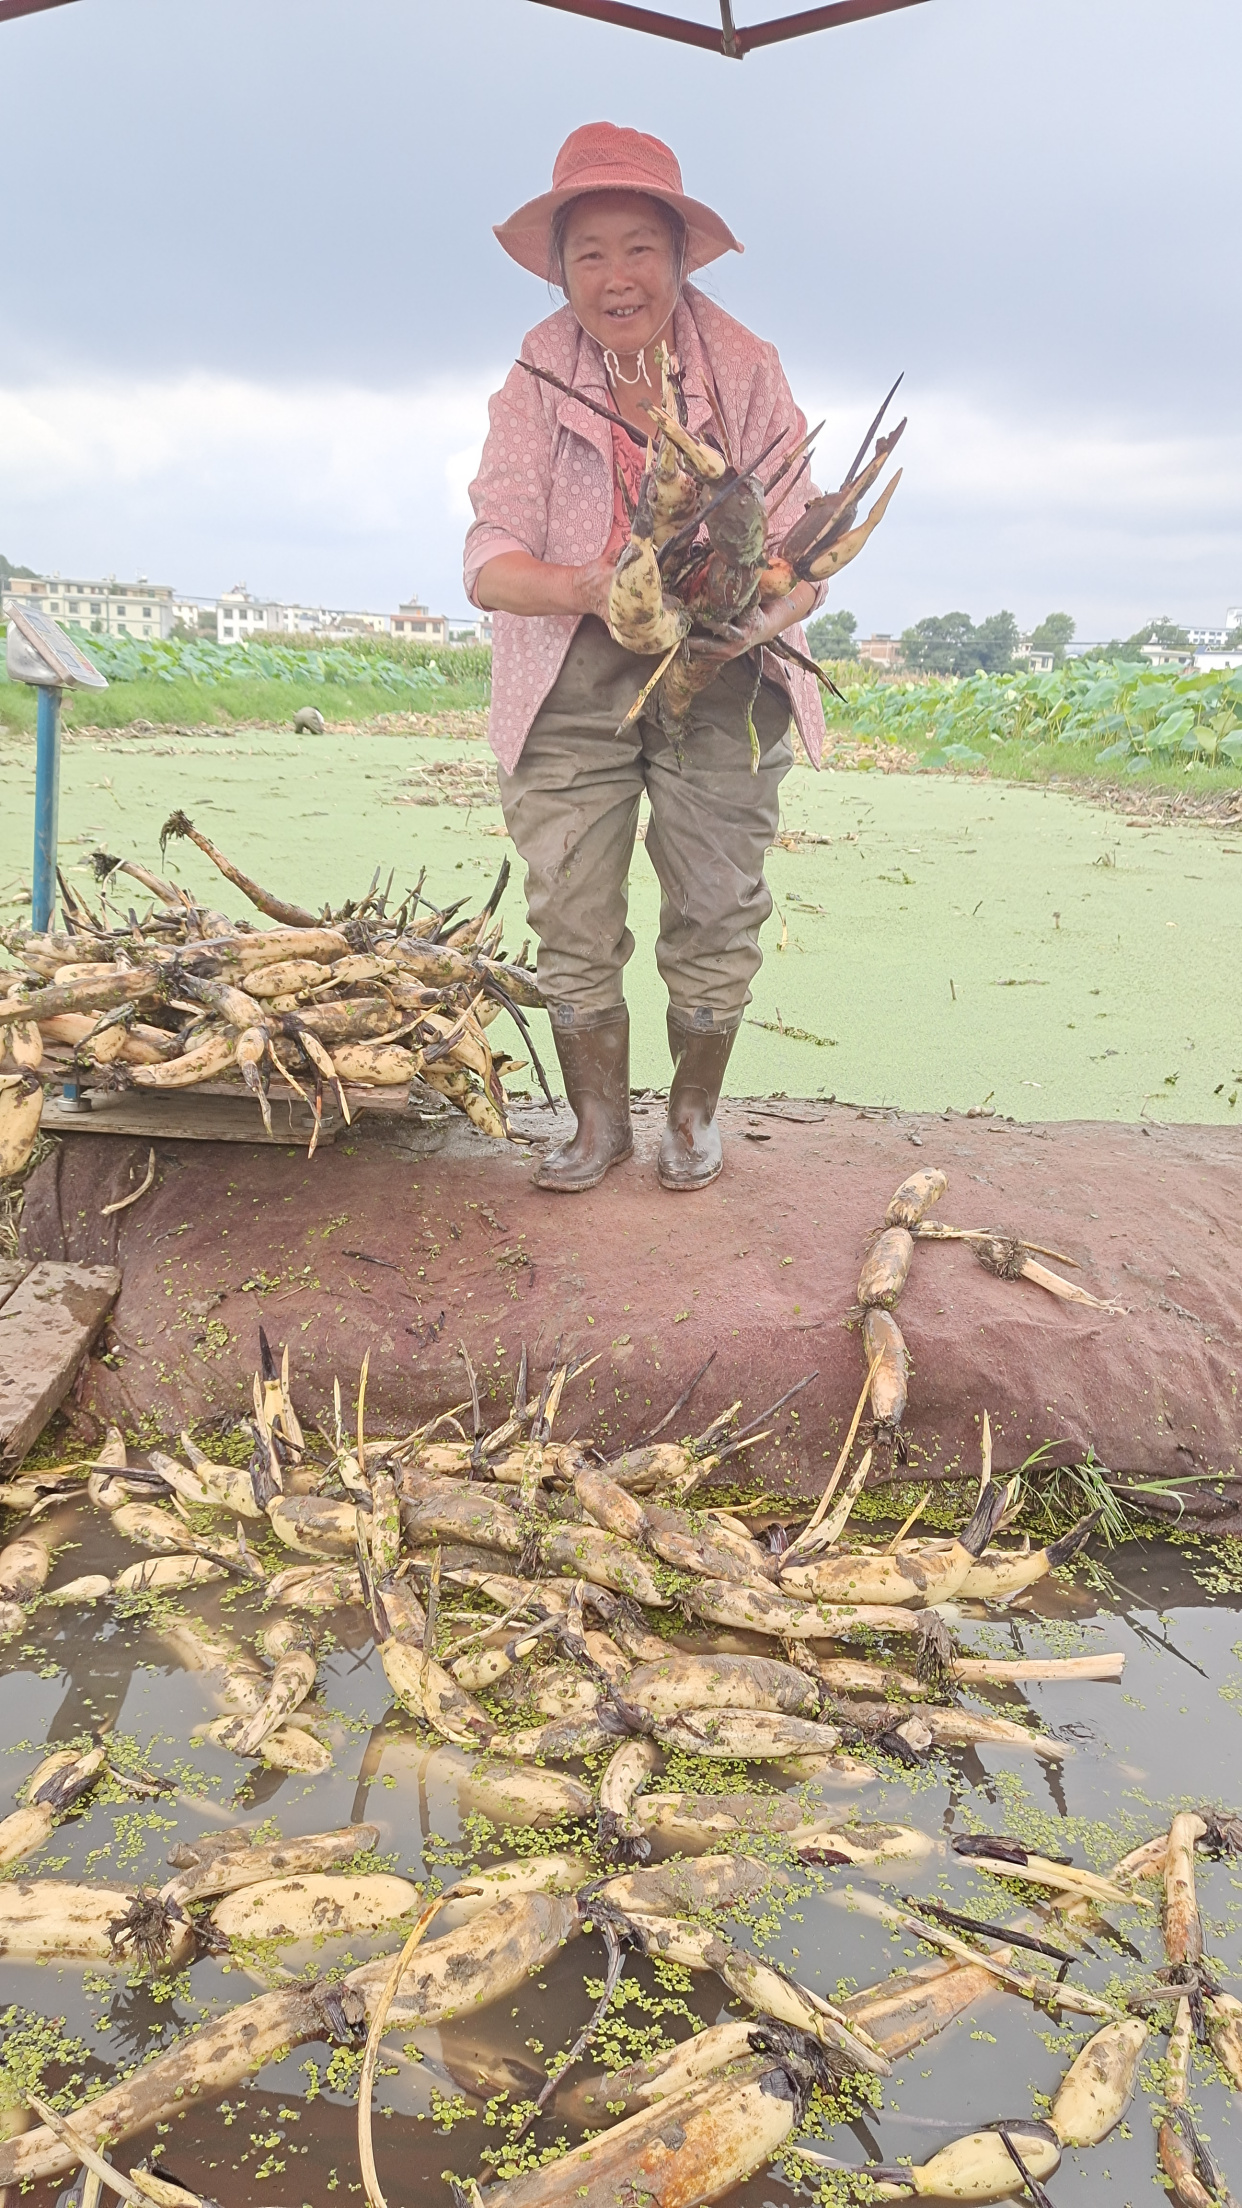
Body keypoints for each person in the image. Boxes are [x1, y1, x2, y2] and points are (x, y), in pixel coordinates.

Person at [464, 122, 826, 1195]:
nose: (616, 276)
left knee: (718, 900)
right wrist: (590, 588)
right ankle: (592, 1123)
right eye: (589, 252)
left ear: (678, 259)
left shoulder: (748, 366)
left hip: (726, 668)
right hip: (571, 664)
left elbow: (803, 549)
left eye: (638, 248)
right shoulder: (539, 373)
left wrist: (752, 611)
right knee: (568, 901)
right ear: (560, 269)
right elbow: (489, 559)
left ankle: (693, 1115)